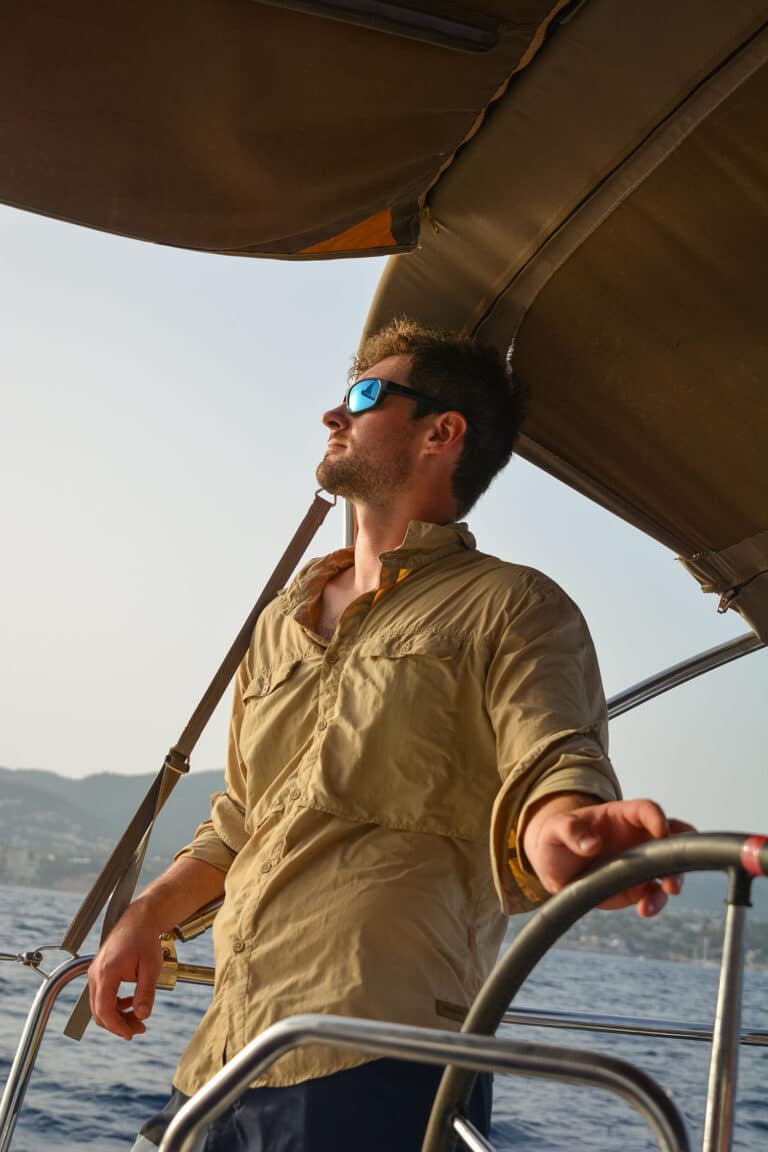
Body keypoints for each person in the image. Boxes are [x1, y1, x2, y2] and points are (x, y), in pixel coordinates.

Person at [89, 320, 689, 1151]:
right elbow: (241, 819)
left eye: (366, 396)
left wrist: (564, 831)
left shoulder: (513, 607)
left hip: (382, 1055)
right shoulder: (278, 626)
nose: (335, 415)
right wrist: (144, 917)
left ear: (443, 433)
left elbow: (554, 756)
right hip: (224, 1053)